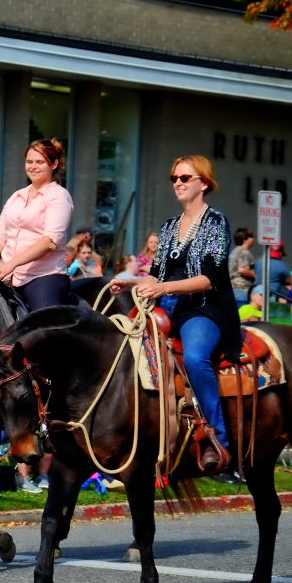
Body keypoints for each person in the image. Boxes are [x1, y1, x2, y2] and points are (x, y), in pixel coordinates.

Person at [110, 155, 240, 474]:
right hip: (170, 307)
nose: (178, 183)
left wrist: (164, 289)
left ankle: (217, 438)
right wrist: (130, 283)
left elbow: (211, 278)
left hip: (205, 308)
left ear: (204, 184)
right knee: (122, 350)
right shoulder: (169, 226)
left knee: (195, 357)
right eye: (174, 179)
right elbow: (156, 275)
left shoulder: (215, 222)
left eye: (185, 178)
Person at [0, 139, 73, 311]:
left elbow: (50, 241)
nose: (33, 166)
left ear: (54, 164)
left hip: (44, 276)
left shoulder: (59, 196)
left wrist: (12, 263)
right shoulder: (16, 197)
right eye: (29, 161)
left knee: (41, 328)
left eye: (40, 162)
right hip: (8, 276)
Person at [228, 227, 256, 306]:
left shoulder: (235, 251)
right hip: (242, 288)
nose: (253, 239)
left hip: (233, 288)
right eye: (251, 237)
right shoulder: (244, 252)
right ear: (245, 239)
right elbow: (242, 270)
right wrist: (255, 275)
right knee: (241, 314)